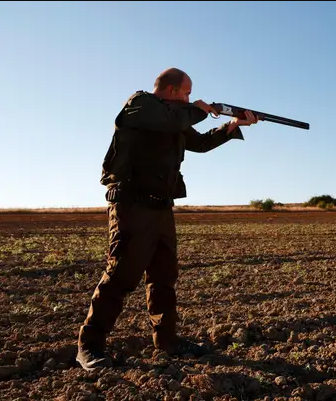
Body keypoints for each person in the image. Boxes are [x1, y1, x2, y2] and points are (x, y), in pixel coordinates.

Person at [76, 67, 259, 371]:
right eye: (187, 93)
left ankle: (168, 342)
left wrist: (233, 124)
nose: (189, 98)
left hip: (162, 207)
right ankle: (89, 346)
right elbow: (170, 121)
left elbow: (199, 143)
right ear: (172, 90)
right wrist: (199, 110)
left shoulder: (175, 118)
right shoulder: (140, 105)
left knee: (163, 278)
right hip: (132, 205)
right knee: (121, 275)